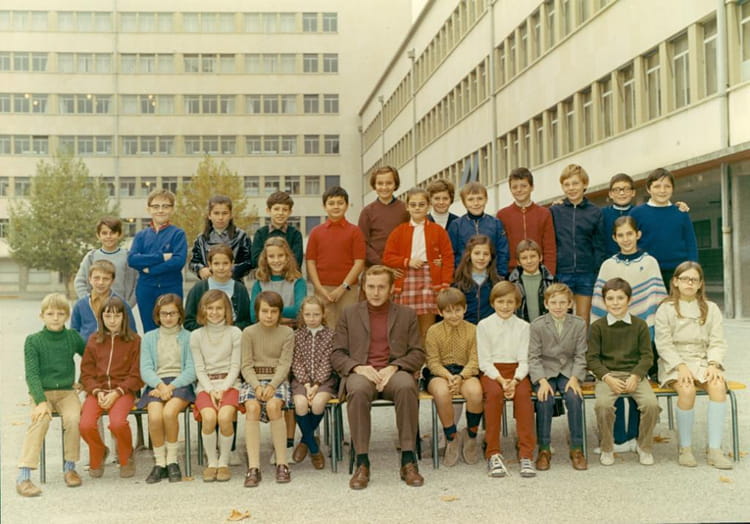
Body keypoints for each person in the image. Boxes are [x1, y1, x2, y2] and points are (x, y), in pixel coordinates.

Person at [331, 265, 426, 490]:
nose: (375, 292)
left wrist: (394, 367)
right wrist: (357, 367)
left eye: (381, 287)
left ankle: (408, 460)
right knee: (357, 389)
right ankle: (362, 462)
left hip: (394, 372)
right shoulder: (349, 314)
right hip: (362, 373)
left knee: (406, 386)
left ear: (392, 288)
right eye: (371, 287)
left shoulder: (407, 314)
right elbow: (337, 354)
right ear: (363, 287)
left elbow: (418, 353)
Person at [591, 216, 667, 452]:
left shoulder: (650, 262)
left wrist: (652, 329)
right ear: (614, 238)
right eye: (620, 235)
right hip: (613, 330)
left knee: (637, 378)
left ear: (638, 234)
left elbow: (657, 299)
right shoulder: (608, 265)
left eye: (629, 234)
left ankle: (635, 435)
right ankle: (618, 438)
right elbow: (600, 301)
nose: (625, 239)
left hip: (641, 329)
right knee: (615, 380)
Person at [655, 261, 732, 469]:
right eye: (685, 279)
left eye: (694, 280)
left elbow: (717, 341)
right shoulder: (666, 309)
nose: (689, 283)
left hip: (702, 360)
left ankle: (714, 450)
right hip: (674, 362)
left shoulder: (711, 309)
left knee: (718, 386)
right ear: (675, 282)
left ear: (700, 284)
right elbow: (663, 343)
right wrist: (680, 366)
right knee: (687, 390)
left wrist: (713, 364)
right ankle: (685, 448)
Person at [16, 293, 85, 497]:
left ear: (67, 316)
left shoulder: (72, 337)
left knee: (73, 419)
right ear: (42, 316)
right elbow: (32, 374)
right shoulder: (33, 341)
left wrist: (84, 380)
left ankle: (70, 467)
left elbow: (90, 357)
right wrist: (40, 401)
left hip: (66, 392)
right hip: (42, 393)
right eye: (50, 313)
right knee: (41, 420)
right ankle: (24, 476)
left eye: (60, 314)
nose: (55, 318)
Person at [587, 277, 660, 466]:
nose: (615, 303)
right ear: (604, 301)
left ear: (629, 300)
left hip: (635, 374)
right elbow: (592, 358)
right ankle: (607, 447)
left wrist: (636, 376)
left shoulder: (640, 325)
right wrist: (607, 377)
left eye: (620, 298)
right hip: (609, 375)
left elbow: (647, 356)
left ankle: (644, 447)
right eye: (610, 298)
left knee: (651, 405)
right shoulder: (597, 327)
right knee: (603, 405)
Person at [477, 281, 536, 478]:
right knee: (493, 395)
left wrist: (516, 380)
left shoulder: (524, 327)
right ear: (493, 302)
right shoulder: (484, 325)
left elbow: (525, 360)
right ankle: (493, 453)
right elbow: (484, 361)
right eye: (500, 301)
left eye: (510, 302)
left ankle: (526, 454)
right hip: (493, 372)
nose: (505, 306)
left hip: (517, 371)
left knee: (524, 397)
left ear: (517, 304)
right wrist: (502, 381)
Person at [79, 296, 142, 479]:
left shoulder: (134, 340)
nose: (112, 321)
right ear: (101, 318)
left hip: (123, 391)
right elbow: (86, 373)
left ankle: (126, 456)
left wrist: (118, 392)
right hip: (97, 391)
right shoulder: (94, 340)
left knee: (117, 423)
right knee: (85, 425)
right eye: (107, 316)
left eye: (116, 316)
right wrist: (96, 391)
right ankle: (99, 451)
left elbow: (137, 374)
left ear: (124, 317)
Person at [527, 283, 588, 471]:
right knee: (545, 399)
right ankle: (544, 449)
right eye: (553, 302)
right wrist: (541, 381)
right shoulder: (537, 325)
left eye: (562, 302)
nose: (558, 306)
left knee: (574, 397)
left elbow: (580, 355)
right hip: (545, 371)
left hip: (568, 370)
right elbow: (533, 357)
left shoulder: (578, 324)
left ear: (570, 304)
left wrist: (575, 378)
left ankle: (577, 448)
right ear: (546, 304)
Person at [383, 187, 454, 341]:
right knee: (405, 324)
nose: (417, 208)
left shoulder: (438, 231)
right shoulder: (399, 231)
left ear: (428, 207)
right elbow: (387, 257)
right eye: (413, 205)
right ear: (407, 207)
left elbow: (448, 258)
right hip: (406, 279)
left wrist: (445, 284)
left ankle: (426, 355)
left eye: (421, 205)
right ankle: (407, 355)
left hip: (430, 279)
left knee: (427, 327)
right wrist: (407, 261)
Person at [138, 294, 196, 484]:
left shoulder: (188, 337)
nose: (168, 317)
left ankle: (172, 461)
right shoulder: (149, 338)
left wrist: (170, 387)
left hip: (180, 383)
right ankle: (159, 462)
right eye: (164, 314)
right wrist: (160, 386)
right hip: (157, 384)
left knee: (169, 413)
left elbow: (191, 369)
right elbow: (146, 368)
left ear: (180, 314)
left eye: (173, 313)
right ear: (158, 315)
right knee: (155, 416)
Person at [240, 291, 295, 486]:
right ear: (257, 312)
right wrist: (256, 386)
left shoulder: (287, 333)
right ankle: (253, 467)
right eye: (264, 311)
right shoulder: (248, 333)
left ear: (280, 313)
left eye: (274, 311)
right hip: (253, 379)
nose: (269, 316)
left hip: (277, 380)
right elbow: (246, 365)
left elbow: (285, 364)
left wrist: (272, 385)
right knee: (252, 407)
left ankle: (282, 463)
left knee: (273, 407)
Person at [423, 288, 483, 466]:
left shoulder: (473, 330)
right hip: (440, 372)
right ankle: (451, 437)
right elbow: (432, 362)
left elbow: (475, 360)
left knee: (475, 392)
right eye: (448, 311)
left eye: (457, 310)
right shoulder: (433, 331)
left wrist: (461, 376)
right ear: (440, 312)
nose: (454, 315)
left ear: (465, 309)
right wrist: (449, 376)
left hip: (466, 371)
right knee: (442, 393)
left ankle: (471, 435)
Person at [190, 289, 242, 482]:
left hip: (230, 383)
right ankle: (212, 462)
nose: (214, 312)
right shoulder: (196, 335)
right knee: (209, 418)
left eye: (219, 308)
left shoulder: (235, 333)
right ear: (203, 309)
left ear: (226, 310)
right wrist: (211, 390)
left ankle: (223, 462)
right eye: (210, 308)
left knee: (225, 417)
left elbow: (235, 366)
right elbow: (199, 368)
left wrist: (223, 389)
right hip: (206, 385)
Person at [550, 164, 606, 325]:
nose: (571, 188)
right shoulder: (555, 211)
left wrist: (596, 270)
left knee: (583, 318)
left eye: (575, 183)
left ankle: (582, 343)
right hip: (562, 272)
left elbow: (599, 245)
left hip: (586, 272)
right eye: (566, 184)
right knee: (561, 317)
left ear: (585, 184)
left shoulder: (594, 212)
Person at [306, 186, 366, 329]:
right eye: (331, 203)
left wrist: (343, 287)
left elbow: (359, 263)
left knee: (348, 326)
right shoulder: (316, 232)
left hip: (348, 288)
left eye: (340, 203)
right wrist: (319, 288)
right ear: (324, 206)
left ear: (347, 205)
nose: (336, 206)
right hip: (323, 289)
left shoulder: (355, 231)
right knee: (324, 327)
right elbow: (310, 262)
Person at [128, 188, 188, 332]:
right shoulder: (141, 236)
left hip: (170, 288)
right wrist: (161, 257)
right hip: (146, 289)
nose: (160, 210)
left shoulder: (178, 234)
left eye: (165, 206)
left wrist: (150, 269)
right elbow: (132, 260)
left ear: (172, 209)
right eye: (156, 206)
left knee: (172, 329)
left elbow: (178, 261)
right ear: (149, 209)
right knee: (150, 331)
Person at [630, 168, 698, 290]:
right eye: (657, 186)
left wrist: (693, 268)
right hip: (646, 272)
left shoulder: (681, 213)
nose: (662, 190)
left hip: (678, 272)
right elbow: (630, 242)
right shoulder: (636, 213)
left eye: (667, 186)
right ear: (648, 189)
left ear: (673, 189)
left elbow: (690, 242)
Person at [290, 296, 337, 470]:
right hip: (301, 380)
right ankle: (314, 449)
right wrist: (306, 384)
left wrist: (316, 384)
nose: (312, 318)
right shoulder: (297, 335)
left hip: (324, 380)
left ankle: (305, 441)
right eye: (308, 314)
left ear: (323, 314)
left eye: (316, 314)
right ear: (302, 315)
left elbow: (328, 362)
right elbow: (296, 361)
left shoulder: (331, 335)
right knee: (300, 404)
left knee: (317, 403)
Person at [496, 167, 557, 275]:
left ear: (532, 187)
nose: (519, 190)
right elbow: (500, 249)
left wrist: (548, 274)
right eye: (514, 187)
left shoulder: (544, 213)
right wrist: (502, 274)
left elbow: (550, 248)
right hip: (511, 273)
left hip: (539, 272)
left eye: (524, 186)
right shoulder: (502, 215)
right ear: (510, 189)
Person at [447, 181, 509, 277]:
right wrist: (457, 275)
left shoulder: (495, 223)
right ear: (464, 202)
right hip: (464, 277)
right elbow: (451, 254)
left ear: (486, 199)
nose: (476, 203)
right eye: (470, 199)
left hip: (491, 276)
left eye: (480, 198)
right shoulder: (456, 225)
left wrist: (501, 274)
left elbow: (503, 251)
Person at [184, 244, 252, 331]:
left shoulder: (240, 289)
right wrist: (211, 331)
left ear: (232, 264)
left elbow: (246, 321)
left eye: (225, 263)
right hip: (205, 336)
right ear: (210, 264)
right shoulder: (199, 288)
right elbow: (189, 321)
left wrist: (230, 330)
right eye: (216, 264)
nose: (221, 267)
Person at [74, 216, 138, 307]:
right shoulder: (91, 257)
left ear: (119, 234)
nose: (108, 236)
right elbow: (79, 282)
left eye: (112, 233)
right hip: (95, 307)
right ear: (98, 235)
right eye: (104, 233)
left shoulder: (128, 257)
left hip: (120, 307)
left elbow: (137, 284)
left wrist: (127, 305)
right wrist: (88, 303)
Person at [190, 195, 253, 281]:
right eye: (216, 213)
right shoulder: (201, 239)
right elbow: (193, 262)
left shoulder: (241, 236)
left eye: (224, 213)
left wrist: (232, 270)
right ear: (209, 215)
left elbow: (249, 262)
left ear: (231, 215)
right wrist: (200, 269)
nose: (220, 217)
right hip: (209, 284)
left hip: (234, 283)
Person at [71, 259, 136, 342]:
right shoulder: (80, 305)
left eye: (106, 279)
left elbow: (132, 333)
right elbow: (74, 333)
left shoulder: (122, 304)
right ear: (90, 279)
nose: (101, 282)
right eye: (96, 278)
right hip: (86, 348)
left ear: (112, 281)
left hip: (113, 348)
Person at [358, 166, 409, 269]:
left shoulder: (405, 209)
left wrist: (400, 262)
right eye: (380, 183)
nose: (384, 187)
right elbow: (363, 243)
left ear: (395, 184)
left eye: (389, 183)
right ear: (374, 185)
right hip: (375, 268)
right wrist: (382, 264)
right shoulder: (367, 212)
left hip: (400, 266)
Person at [250, 237, 307, 326]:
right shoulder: (259, 284)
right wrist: (285, 320)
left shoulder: (298, 282)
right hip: (266, 331)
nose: (276, 260)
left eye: (280, 255)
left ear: (287, 257)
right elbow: (254, 315)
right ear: (265, 259)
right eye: (271, 256)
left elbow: (299, 310)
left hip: (292, 331)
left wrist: (266, 312)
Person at [452, 234, 502, 324]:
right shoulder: (458, 283)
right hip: (466, 329)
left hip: (490, 329)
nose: (481, 258)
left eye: (486, 254)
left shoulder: (498, 283)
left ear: (491, 257)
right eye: (477, 253)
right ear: (469, 255)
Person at [251, 191, 304, 268]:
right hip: (265, 275)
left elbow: (297, 261)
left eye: (285, 210)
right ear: (268, 211)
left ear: (290, 212)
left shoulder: (295, 234)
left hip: (290, 275)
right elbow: (255, 261)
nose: (280, 213)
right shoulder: (260, 233)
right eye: (276, 209)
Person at [507, 239, 556, 323]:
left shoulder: (551, 281)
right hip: (521, 327)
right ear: (518, 262)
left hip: (545, 327)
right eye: (524, 258)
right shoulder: (512, 283)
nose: (529, 261)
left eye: (533, 256)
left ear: (540, 258)